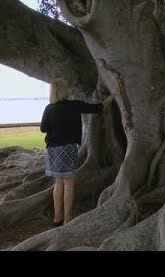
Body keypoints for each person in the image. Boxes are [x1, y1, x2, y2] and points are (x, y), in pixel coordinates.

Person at [40, 79, 114, 226]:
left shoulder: (49, 108)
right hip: (68, 149)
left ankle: (57, 218)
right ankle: (67, 219)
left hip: (53, 150)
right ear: (64, 90)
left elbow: (43, 128)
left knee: (58, 183)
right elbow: (97, 108)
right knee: (68, 184)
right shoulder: (74, 106)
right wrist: (112, 97)